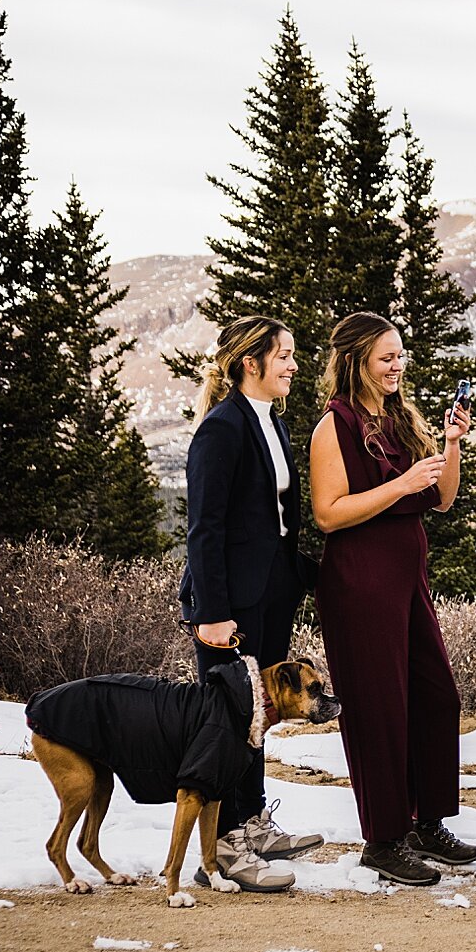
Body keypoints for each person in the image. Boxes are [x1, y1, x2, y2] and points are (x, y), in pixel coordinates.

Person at [310, 311, 476, 886]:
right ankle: (384, 839)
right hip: (359, 583)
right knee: (380, 710)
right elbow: (329, 515)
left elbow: (444, 499)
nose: (397, 365)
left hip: (408, 581)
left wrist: (452, 444)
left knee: (437, 697)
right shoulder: (332, 427)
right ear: (357, 360)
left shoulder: (402, 420)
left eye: (401, 355)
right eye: (386, 357)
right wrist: (400, 485)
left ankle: (427, 822)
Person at [179, 316, 322, 892]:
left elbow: (277, 524)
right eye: (283, 356)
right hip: (229, 605)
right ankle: (221, 850)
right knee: (227, 723)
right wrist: (212, 613)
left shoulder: (272, 422)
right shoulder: (222, 428)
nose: (292, 365)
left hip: (270, 596)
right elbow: (204, 528)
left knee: (257, 718)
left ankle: (252, 824)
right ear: (250, 364)